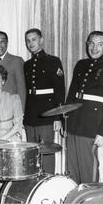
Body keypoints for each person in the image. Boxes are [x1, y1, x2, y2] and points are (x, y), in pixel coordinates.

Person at [65, 31, 103, 184]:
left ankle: (89, 202)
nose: (95, 48)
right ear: (87, 44)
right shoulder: (81, 64)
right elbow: (71, 94)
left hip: (91, 126)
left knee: (89, 170)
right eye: (92, 43)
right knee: (72, 169)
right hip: (74, 123)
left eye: (100, 44)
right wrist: (65, 120)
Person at [24, 28, 65, 174]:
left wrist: (58, 117)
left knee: (46, 153)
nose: (31, 43)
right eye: (28, 40)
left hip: (47, 113)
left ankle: (48, 182)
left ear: (41, 40)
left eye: (34, 39)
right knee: (30, 153)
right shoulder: (27, 65)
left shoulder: (53, 61)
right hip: (30, 115)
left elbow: (59, 90)